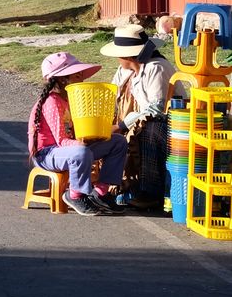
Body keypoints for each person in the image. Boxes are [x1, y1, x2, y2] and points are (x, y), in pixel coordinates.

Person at [30, 51, 129, 215]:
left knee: (117, 142)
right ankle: (75, 195)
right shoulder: (52, 102)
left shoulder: (72, 100)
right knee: (80, 152)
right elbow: (61, 140)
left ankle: (102, 192)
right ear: (63, 80)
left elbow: (78, 131)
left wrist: (95, 135)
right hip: (47, 154)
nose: (82, 80)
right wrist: (81, 143)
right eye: (77, 76)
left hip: (72, 149)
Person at [102, 24, 172, 209]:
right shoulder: (125, 71)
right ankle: (120, 187)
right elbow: (111, 94)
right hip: (137, 121)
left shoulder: (156, 68)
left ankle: (151, 192)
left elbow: (156, 109)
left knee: (149, 130)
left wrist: (122, 125)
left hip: (168, 125)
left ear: (127, 55)